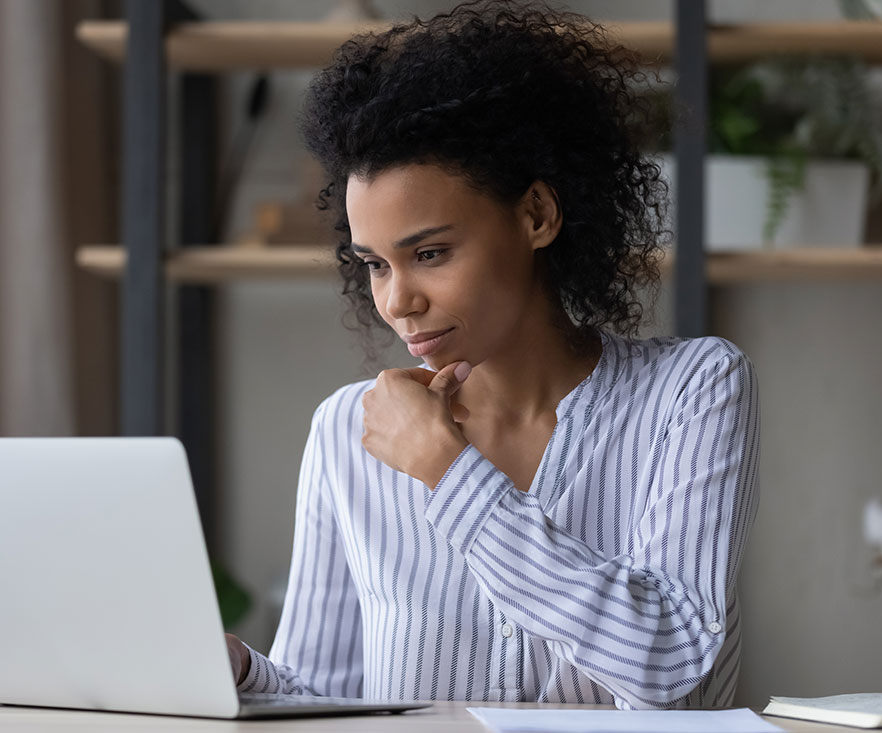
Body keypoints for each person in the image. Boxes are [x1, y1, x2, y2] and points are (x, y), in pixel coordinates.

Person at [224, 0, 760, 710]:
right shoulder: (346, 432)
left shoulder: (693, 391)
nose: (397, 301)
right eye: (375, 264)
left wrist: (450, 475)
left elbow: (668, 660)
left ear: (536, 215)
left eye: (431, 253)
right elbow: (322, 701)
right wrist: (237, 671)